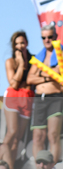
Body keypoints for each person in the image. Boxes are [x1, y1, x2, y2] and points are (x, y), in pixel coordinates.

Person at [27, 24, 63, 162]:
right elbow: (30, 78)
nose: (47, 40)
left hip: (56, 97)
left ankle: (52, 167)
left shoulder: (60, 54)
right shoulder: (39, 56)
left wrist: (41, 74)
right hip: (40, 98)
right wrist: (49, 75)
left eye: (50, 37)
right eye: (44, 37)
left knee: (53, 135)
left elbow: (60, 73)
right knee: (37, 136)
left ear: (55, 37)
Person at [3, 31, 34, 156]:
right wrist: (21, 64)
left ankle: (10, 166)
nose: (20, 46)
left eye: (22, 43)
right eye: (17, 44)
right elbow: (14, 84)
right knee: (12, 132)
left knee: (18, 138)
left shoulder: (34, 60)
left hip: (27, 97)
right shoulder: (10, 61)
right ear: (13, 46)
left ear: (27, 43)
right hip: (13, 96)